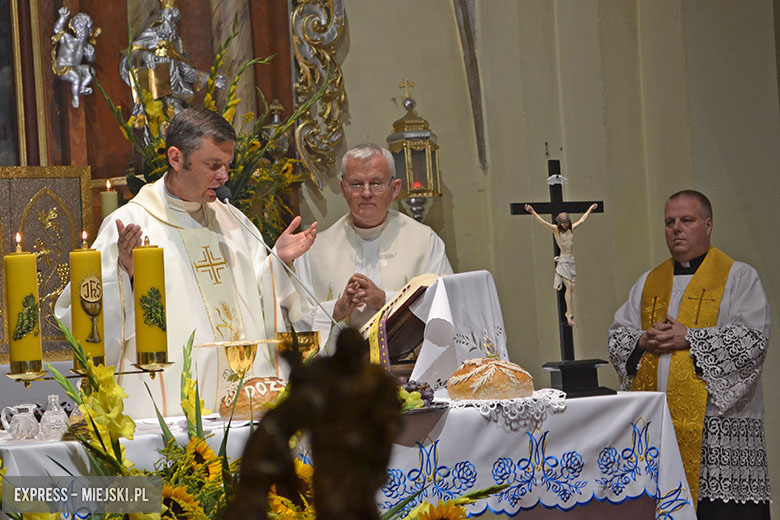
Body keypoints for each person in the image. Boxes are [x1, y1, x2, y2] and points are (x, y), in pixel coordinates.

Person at [55, 107, 317, 419]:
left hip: (244, 406)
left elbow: (258, 298)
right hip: (170, 411)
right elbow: (83, 319)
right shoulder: (130, 224)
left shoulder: (233, 219)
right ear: (176, 158)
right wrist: (127, 277)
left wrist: (277, 263)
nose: (224, 176)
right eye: (213, 165)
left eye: (227, 165)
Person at [608, 190, 770, 518]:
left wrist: (691, 338)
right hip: (662, 431)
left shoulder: (739, 277)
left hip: (718, 439)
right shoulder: (648, 282)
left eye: (686, 221)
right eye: (670, 222)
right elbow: (617, 338)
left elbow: (752, 340)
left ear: (708, 225)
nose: (676, 229)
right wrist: (642, 341)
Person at [294, 143, 453, 347]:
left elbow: (445, 305)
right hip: (337, 372)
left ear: (394, 188)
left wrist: (384, 300)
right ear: (343, 188)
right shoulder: (315, 250)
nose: (366, 193)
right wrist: (339, 308)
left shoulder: (425, 241)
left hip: (407, 370)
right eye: (357, 184)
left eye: (376, 183)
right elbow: (297, 323)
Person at [119, 6, 225, 115]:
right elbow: (131, 54)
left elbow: (187, 72)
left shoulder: (175, 55)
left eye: (174, 23)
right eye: (169, 20)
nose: (172, 27)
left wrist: (212, 79)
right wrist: (144, 55)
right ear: (162, 19)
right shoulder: (150, 38)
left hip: (175, 99)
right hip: (154, 103)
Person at [524, 203, 597, 326]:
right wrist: (532, 211)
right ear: (559, 223)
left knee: (572, 287)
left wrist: (590, 209)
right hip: (563, 261)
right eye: (563, 223)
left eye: (567, 222)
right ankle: (568, 313)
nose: (565, 224)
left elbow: (582, 220)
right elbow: (543, 222)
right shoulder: (556, 230)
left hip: (571, 261)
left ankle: (569, 312)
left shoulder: (571, 229)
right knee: (569, 286)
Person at [52, 7, 99, 109]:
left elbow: (92, 60)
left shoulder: (87, 47)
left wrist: (91, 55)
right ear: (75, 29)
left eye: (84, 30)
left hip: (75, 67)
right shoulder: (68, 39)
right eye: (79, 29)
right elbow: (57, 30)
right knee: (77, 77)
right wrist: (62, 18)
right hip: (63, 67)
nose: (81, 33)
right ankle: (75, 98)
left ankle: (81, 88)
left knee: (91, 71)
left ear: (89, 32)